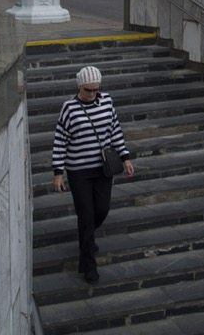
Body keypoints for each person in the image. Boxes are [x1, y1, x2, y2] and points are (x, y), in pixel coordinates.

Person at [52, 66, 134, 285]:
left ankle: (87, 236)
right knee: (86, 216)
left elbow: (115, 130)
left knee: (102, 209)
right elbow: (60, 140)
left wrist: (125, 157)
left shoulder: (106, 101)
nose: (92, 94)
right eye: (88, 90)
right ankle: (88, 264)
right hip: (78, 170)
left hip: (102, 168)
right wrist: (58, 172)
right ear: (80, 86)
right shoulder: (69, 108)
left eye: (96, 89)